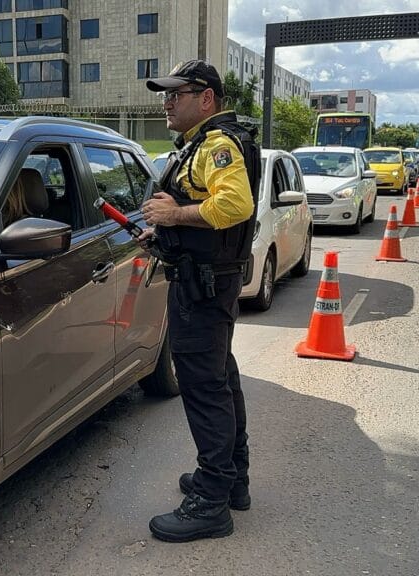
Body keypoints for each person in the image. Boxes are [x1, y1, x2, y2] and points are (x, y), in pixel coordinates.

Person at [138, 60, 259, 543]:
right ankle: (232, 481)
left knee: (205, 388)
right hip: (209, 282)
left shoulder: (218, 144)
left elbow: (234, 206)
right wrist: (163, 229)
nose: (167, 102)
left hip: (201, 288)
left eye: (176, 94)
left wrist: (175, 214)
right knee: (221, 380)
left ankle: (210, 501)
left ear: (205, 98)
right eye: (165, 95)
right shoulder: (204, 144)